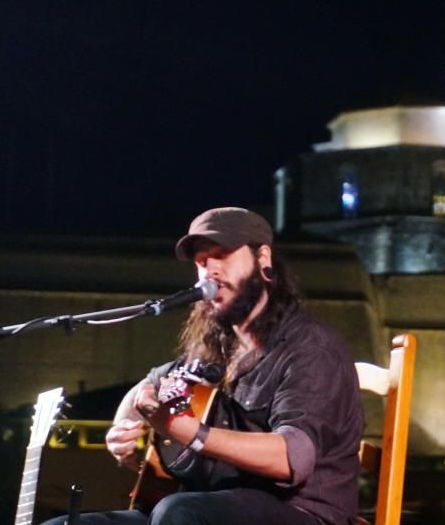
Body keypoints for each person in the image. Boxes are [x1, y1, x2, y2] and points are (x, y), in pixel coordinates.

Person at [44, 207, 363, 525]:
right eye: (201, 261)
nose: (209, 269)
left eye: (221, 254)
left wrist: (193, 433)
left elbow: (291, 459)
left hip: (301, 512)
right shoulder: (218, 346)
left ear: (263, 257)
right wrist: (124, 429)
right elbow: (148, 385)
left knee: (179, 512)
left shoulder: (310, 348)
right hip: (206, 506)